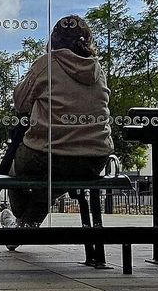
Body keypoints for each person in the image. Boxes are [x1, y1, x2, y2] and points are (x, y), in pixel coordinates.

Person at [7, 15, 114, 226]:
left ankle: (22, 223)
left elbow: (20, 103)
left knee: (14, 171)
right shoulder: (97, 70)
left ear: (54, 39)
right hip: (95, 158)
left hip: (47, 155)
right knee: (56, 179)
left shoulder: (46, 63)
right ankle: (26, 223)